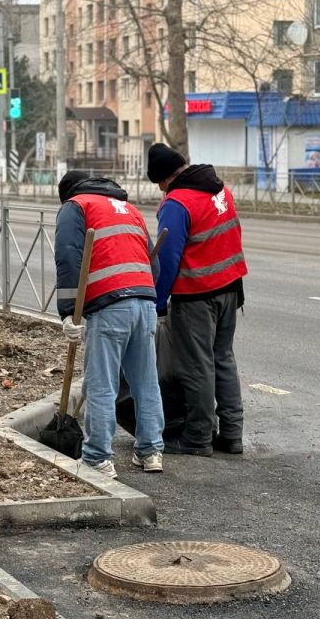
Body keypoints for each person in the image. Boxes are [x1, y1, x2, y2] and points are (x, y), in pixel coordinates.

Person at [55, 171, 164, 479]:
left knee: (101, 383)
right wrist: (143, 294)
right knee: (146, 381)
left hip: (109, 304)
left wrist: (67, 312)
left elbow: (67, 257)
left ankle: (98, 457)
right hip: (144, 301)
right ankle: (151, 451)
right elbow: (152, 262)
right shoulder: (128, 208)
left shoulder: (75, 207)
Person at [146, 144, 248, 456]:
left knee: (197, 366)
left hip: (197, 294)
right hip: (232, 287)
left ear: (164, 179)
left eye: (160, 185)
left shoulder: (178, 202)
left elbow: (167, 256)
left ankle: (198, 438)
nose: (162, 191)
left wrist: (158, 302)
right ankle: (232, 434)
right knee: (223, 359)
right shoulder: (219, 190)